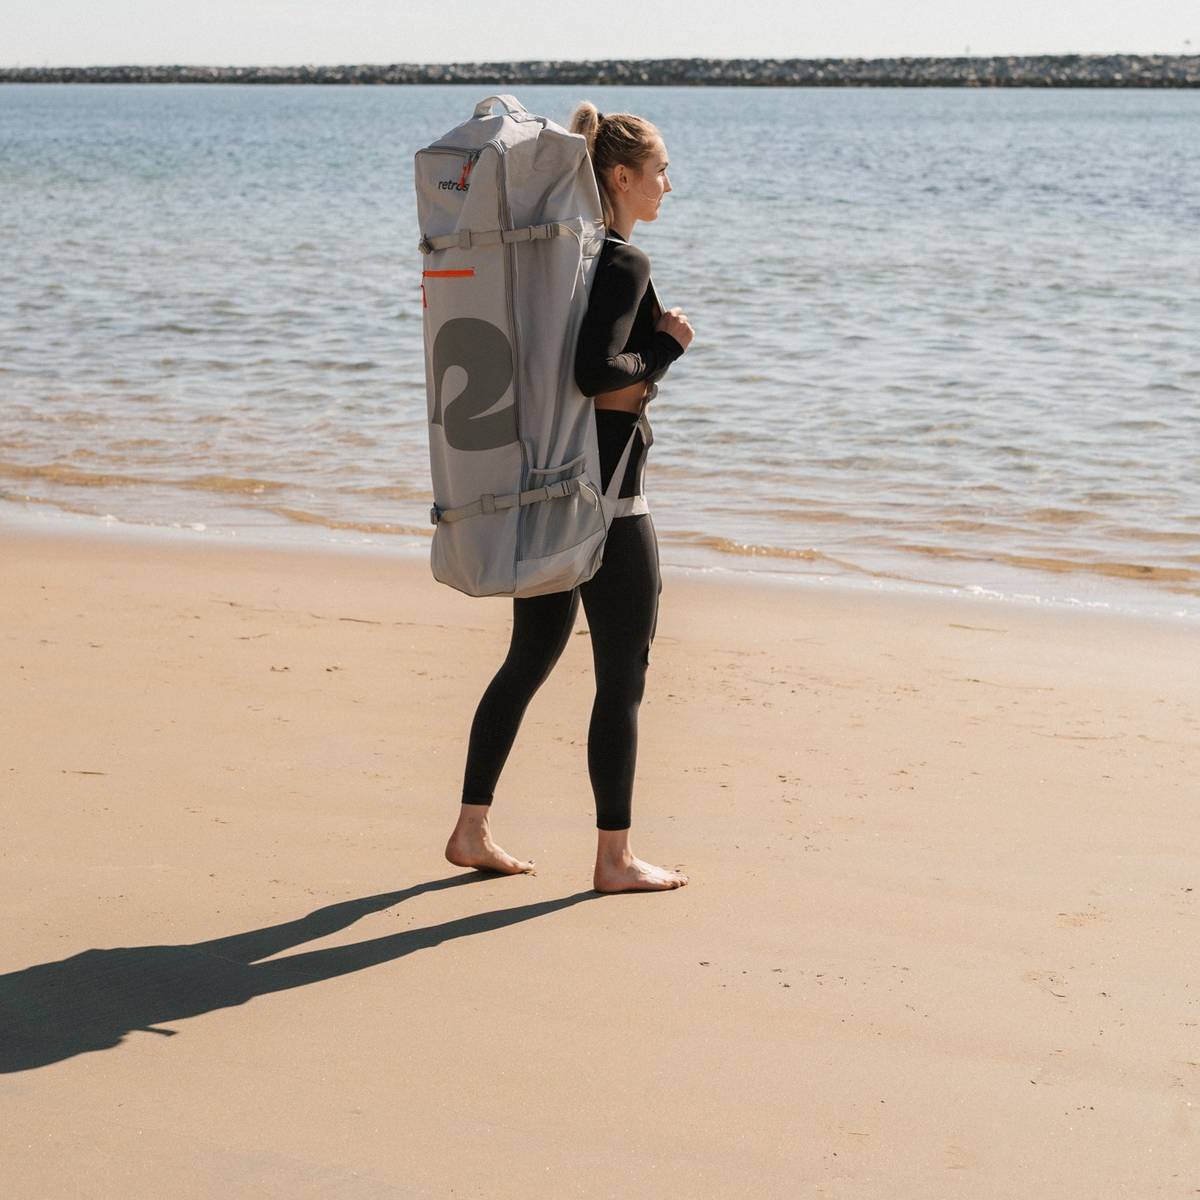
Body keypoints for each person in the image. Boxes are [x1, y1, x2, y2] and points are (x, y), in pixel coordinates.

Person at [444, 103, 695, 893]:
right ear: (620, 176)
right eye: (660, 171)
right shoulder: (621, 262)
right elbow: (596, 372)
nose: (667, 185)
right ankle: (614, 859)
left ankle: (470, 829)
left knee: (527, 660)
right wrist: (667, 346)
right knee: (622, 679)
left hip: (551, 491)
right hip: (611, 505)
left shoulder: (565, 262)